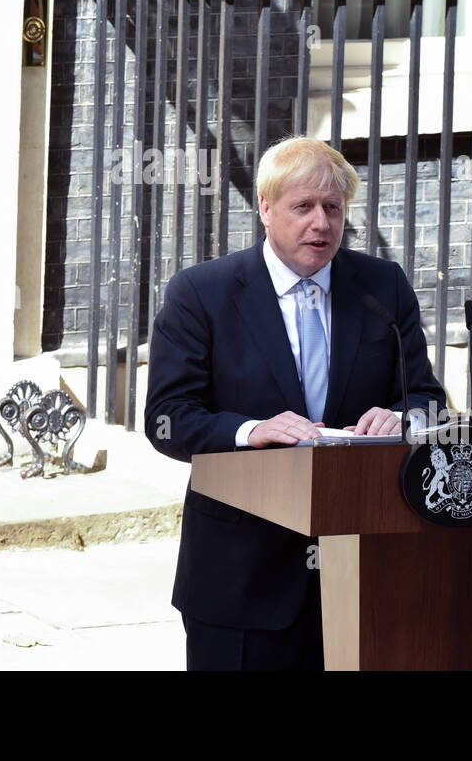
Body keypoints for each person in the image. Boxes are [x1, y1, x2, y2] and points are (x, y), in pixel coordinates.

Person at [145, 135, 448, 671]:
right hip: (242, 577)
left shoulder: (381, 286)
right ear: (265, 207)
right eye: (303, 206)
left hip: (361, 568)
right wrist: (249, 431)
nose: (322, 224)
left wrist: (402, 418)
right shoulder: (202, 293)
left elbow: (426, 398)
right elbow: (168, 419)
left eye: (333, 208)